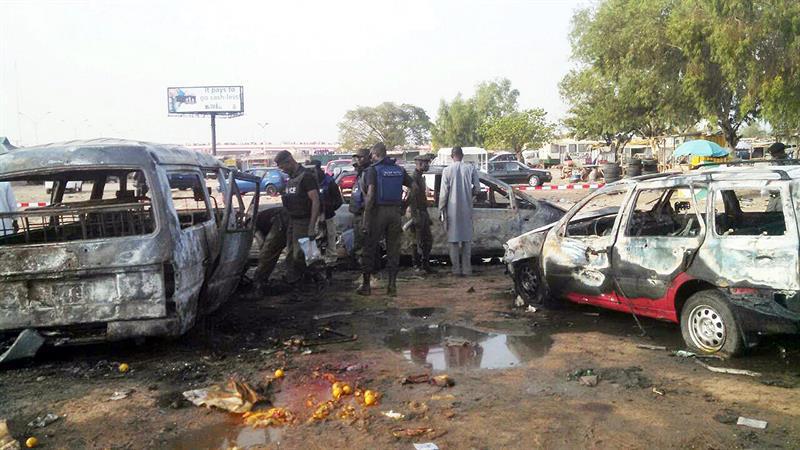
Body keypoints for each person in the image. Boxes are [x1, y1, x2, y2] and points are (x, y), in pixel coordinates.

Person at [359, 142, 415, 296]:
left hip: (377, 212)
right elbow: (414, 187)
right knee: (393, 250)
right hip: (395, 214)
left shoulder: (372, 170)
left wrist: (366, 218)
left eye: (371, 155)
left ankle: (366, 286)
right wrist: (404, 205)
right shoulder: (399, 170)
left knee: (369, 247)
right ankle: (392, 286)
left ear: (375, 154)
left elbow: (370, 196)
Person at [274, 150, 321, 285]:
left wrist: (312, 226)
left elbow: (315, 201)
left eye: (283, 167)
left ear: (289, 161)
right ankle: (295, 281)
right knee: (290, 254)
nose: (282, 170)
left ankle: (313, 279)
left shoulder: (306, 177)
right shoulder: (292, 178)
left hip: (304, 221)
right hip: (292, 221)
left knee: (303, 254)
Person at [439, 146, 480, 276]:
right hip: (467, 209)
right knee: (467, 241)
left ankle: (456, 270)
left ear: (452, 156)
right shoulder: (470, 168)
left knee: (454, 241)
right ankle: (467, 270)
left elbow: (443, 193)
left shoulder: (447, 170)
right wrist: (470, 195)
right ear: (462, 156)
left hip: (452, 211)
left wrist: (441, 209)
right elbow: (477, 189)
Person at [311, 160, 344, 269]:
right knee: (313, 239)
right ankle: (314, 262)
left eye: (313, 170)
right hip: (313, 217)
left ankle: (331, 263)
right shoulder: (309, 182)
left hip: (328, 216)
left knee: (330, 238)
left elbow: (338, 200)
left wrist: (328, 210)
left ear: (318, 169)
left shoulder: (329, 182)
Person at [409, 154, 435, 273]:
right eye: (426, 163)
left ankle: (425, 265)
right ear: (419, 163)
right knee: (417, 241)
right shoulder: (414, 177)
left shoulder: (419, 177)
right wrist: (415, 216)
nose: (428, 165)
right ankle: (417, 266)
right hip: (418, 212)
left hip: (422, 212)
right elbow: (412, 198)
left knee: (427, 241)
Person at [253, 206, 289, 291]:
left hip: (280, 218)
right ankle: (294, 278)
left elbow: (262, 243)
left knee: (268, 251)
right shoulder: (260, 219)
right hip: (290, 215)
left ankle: (259, 283)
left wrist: (262, 259)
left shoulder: (251, 224)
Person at [349, 148, 372, 269]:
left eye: (361, 157)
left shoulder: (369, 173)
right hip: (357, 213)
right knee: (359, 244)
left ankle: (368, 273)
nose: (358, 161)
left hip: (364, 214)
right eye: (357, 158)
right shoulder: (361, 174)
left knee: (365, 245)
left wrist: (366, 216)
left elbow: (369, 197)